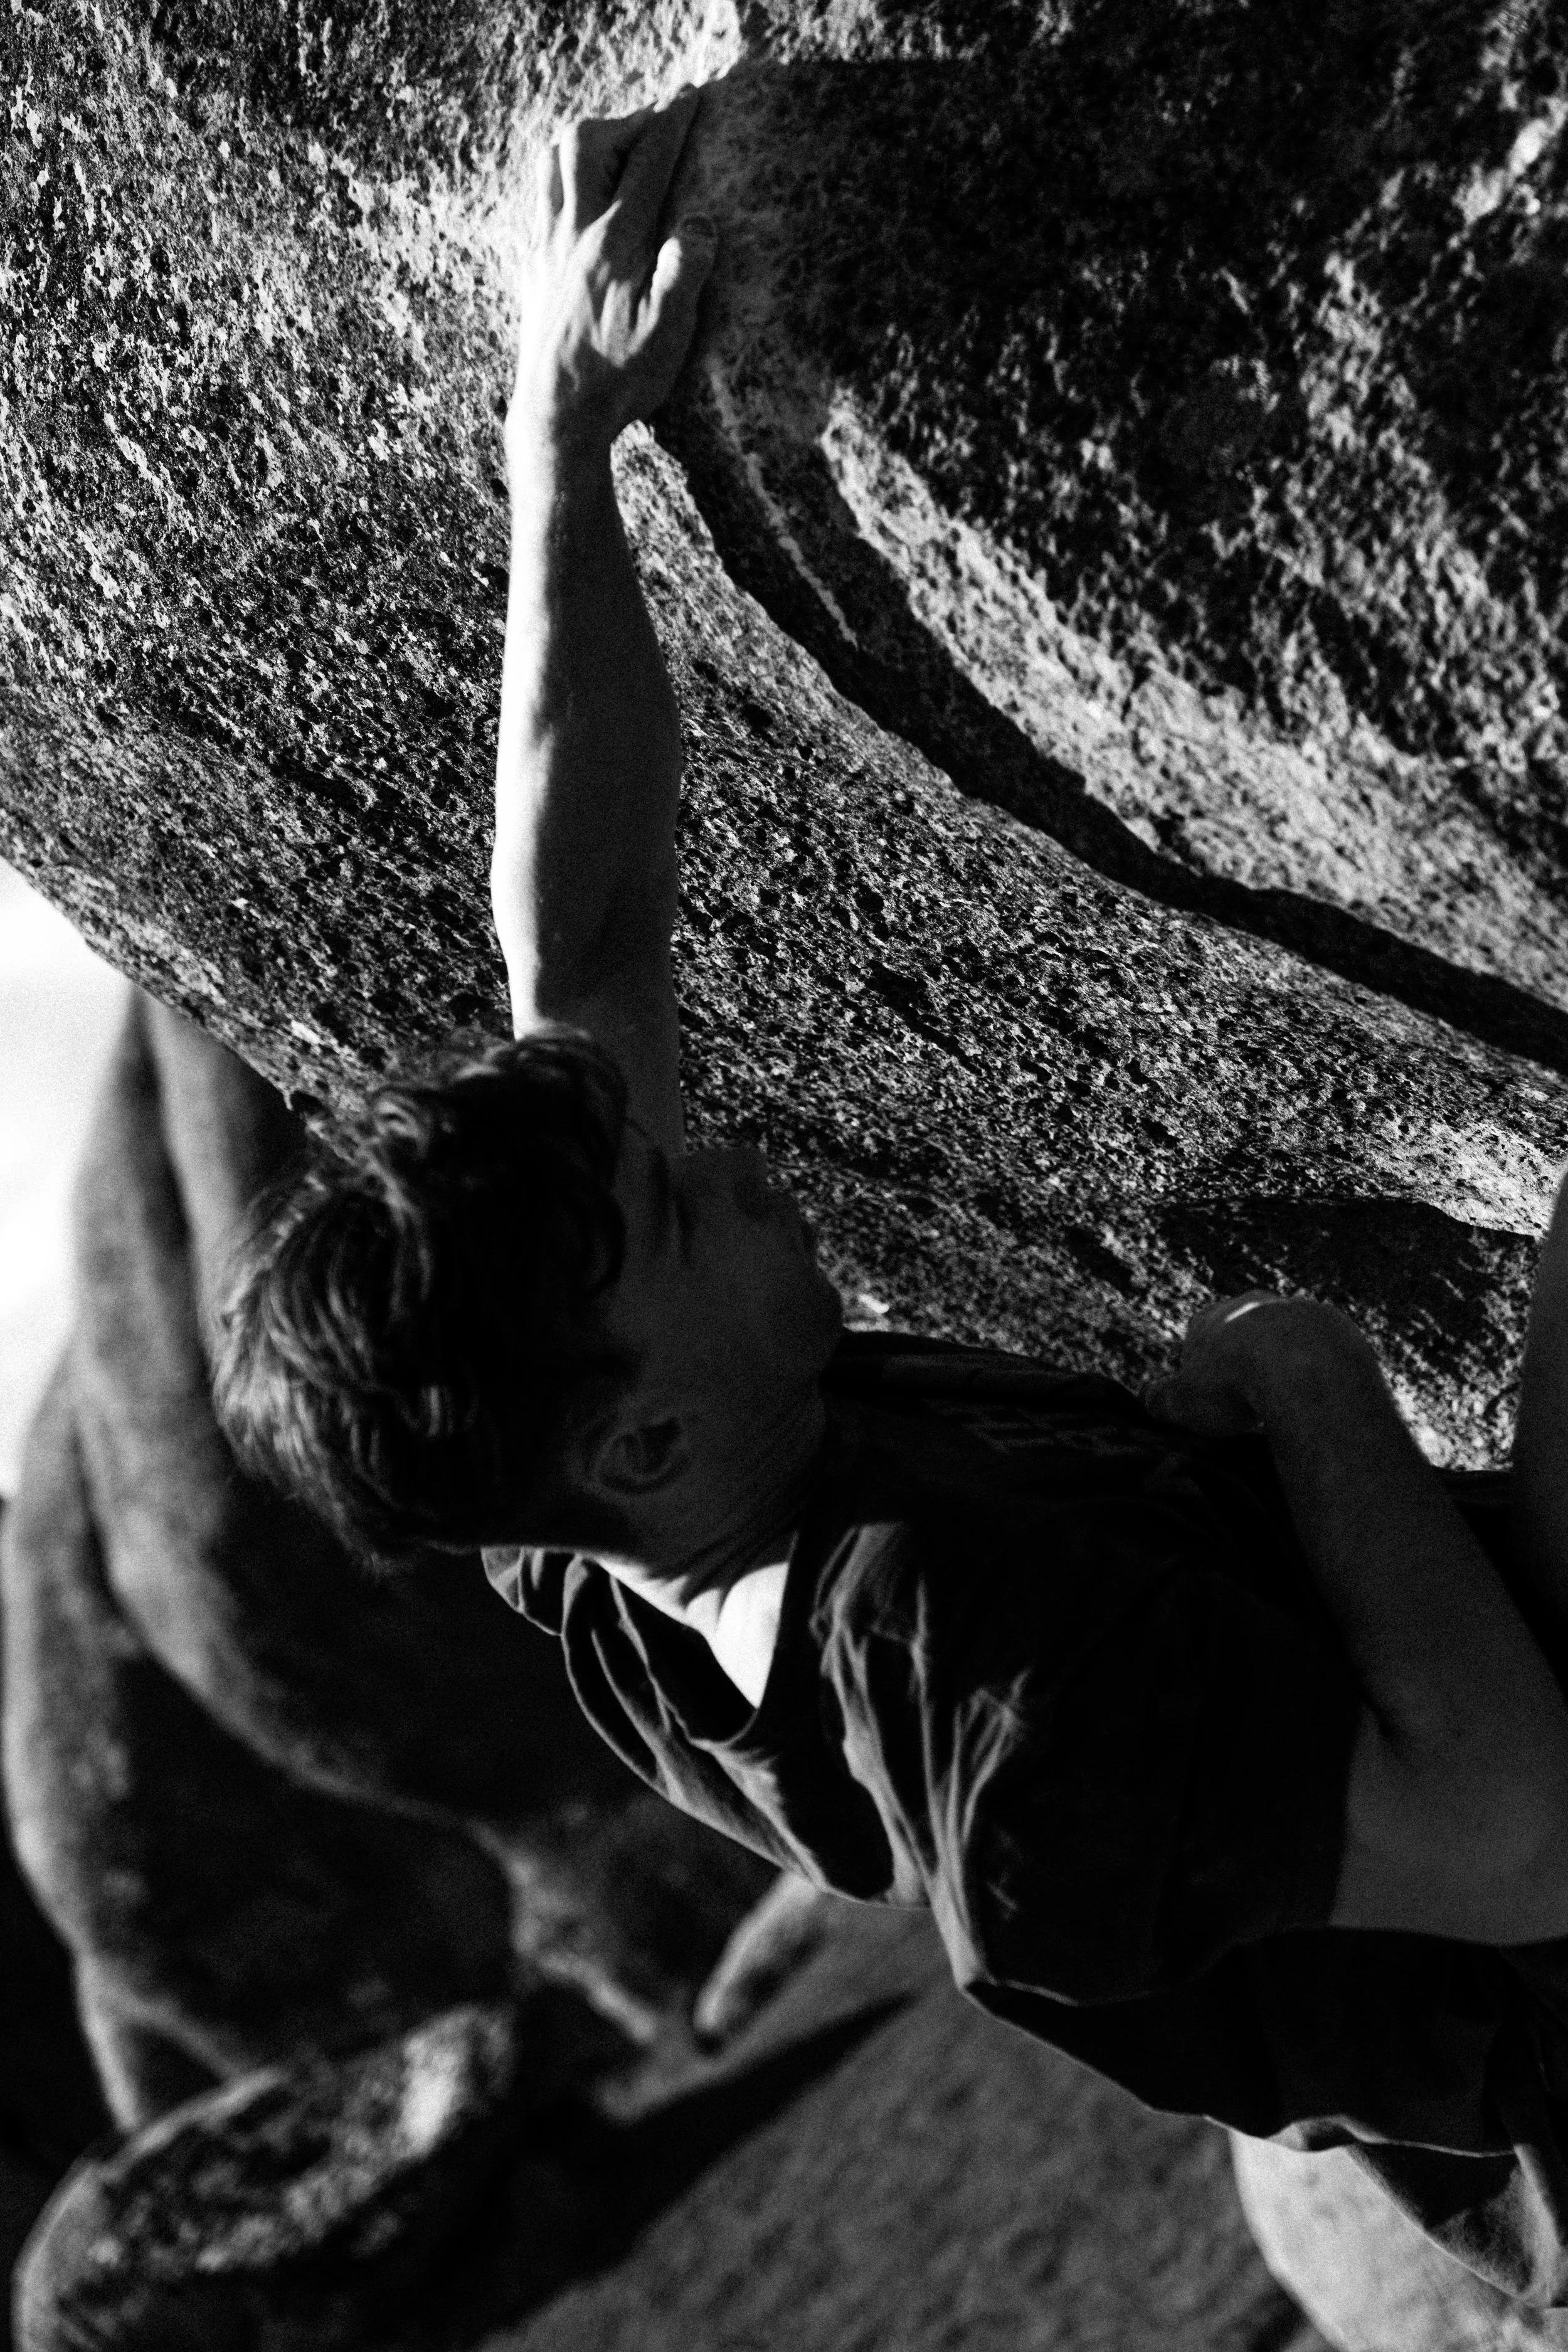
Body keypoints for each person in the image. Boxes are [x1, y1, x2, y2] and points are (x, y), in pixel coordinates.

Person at [215, 88, 1568, 2338]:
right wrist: (1313, 1389)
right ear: (643, 1433)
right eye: (685, 1208)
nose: (740, 1161)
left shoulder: (614, 1537)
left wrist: (558, 445)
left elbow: (584, 944)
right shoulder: (972, 1679)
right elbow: (1523, 1828)